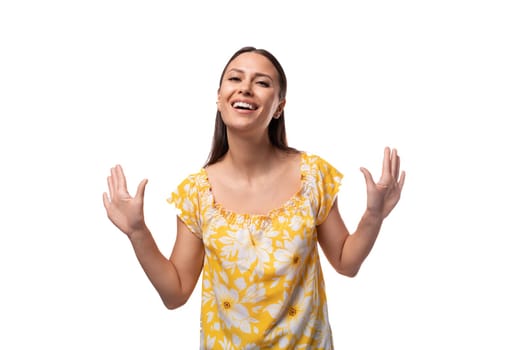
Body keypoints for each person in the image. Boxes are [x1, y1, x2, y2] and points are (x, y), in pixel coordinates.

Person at [103, 46, 406, 349]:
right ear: (219, 98)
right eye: (235, 79)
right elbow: (176, 293)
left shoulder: (313, 176)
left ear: (279, 107)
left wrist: (373, 217)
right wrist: (137, 232)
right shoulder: (196, 193)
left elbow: (346, 262)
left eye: (262, 83)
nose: (246, 88)